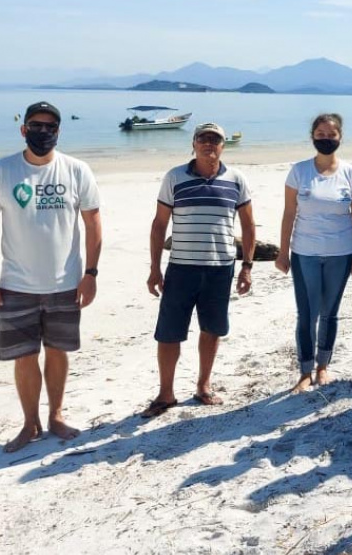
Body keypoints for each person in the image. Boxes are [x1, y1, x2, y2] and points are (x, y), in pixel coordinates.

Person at [0, 101, 102, 452]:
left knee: (58, 351)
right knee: (24, 356)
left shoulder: (77, 170)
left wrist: (90, 273)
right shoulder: (2, 170)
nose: (42, 132)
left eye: (49, 127)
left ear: (58, 132)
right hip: (15, 284)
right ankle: (29, 423)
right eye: (35, 125)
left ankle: (56, 415)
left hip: (66, 282)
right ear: (23, 129)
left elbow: (93, 224)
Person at [143, 122, 256, 418]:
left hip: (220, 269)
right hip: (180, 268)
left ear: (223, 145)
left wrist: (246, 267)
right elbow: (159, 224)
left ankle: (203, 386)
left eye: (215, 139)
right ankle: (165, 393)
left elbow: (247, 224)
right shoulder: (175, 177)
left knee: (212, 329)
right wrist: (154, 268)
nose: (209, 144)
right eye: (203, 139)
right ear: (193, 144)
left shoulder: (236, 179)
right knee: (168, 334)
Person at [275, 114, 352, 393]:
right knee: (307, 314)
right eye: (320, 134)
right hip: (305, 253)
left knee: (329, 313)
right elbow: (289, 214)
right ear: (312, 136)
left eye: (331, 135)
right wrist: (282, 253)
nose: (325, 139)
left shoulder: (350, 174)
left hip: (341, 253)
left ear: (340, 138)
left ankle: (323, 367)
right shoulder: (299, 171)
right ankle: (304, 372)